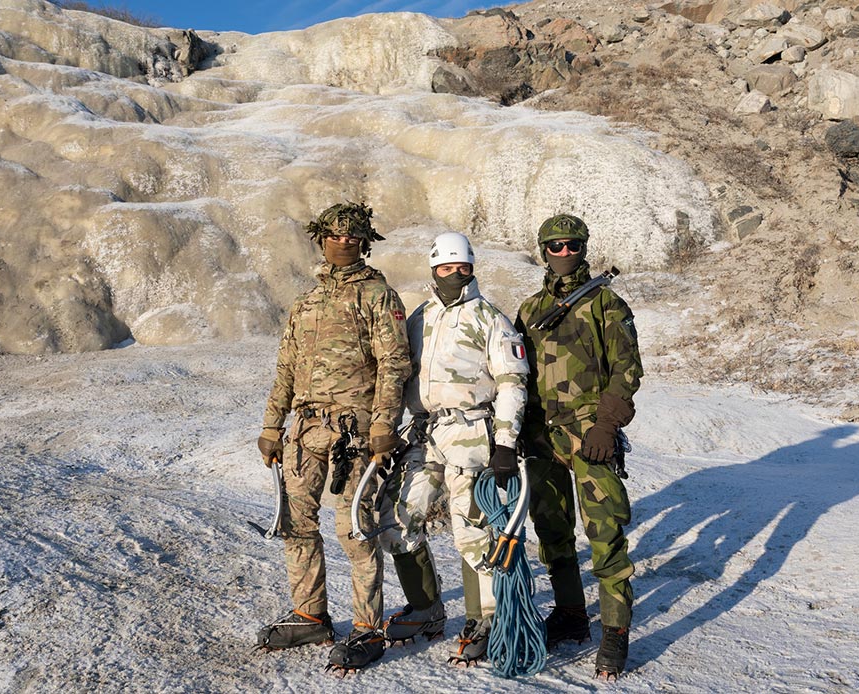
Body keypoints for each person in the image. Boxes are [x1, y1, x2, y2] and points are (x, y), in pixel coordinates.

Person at [255, 201, 411, 673]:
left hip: (355, 432)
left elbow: (394, 364)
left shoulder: (380, 297)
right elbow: (286, 367)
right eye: (334, 235)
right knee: (296, 523)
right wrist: (271, 425)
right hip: (304, 429)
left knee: (354, 529)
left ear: (365, 241)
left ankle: (367, 628)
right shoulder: (306, 302)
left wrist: (384, 424)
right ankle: (310, 614)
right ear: (321, 238)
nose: (342, 242)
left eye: (352, 236)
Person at [377, 231, 529, 666]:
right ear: (433, 270)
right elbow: (398, 372)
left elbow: (512, 382)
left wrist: (505, 443)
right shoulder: (420, 318)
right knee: (399, 519)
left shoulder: (491, 319)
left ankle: (487, 619)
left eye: (462, 268)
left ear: (472, 268)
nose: (454, 275)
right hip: (424, 433)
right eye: (446, 268)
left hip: (471, 434)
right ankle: (426, 609)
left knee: (472, 531)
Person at [514, 213, 643, 681]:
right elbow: (517, 376)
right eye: (555, 246)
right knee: (551, 530)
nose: (564, 253)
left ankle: (615, 630)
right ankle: (570, 614)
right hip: (540, 435)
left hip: (591, 434)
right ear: (543, 251)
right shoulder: (528, 310)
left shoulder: (605, 303)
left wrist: (606, 426)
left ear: (583, 247)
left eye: (572, 245)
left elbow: (626, 370)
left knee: (605, 531)